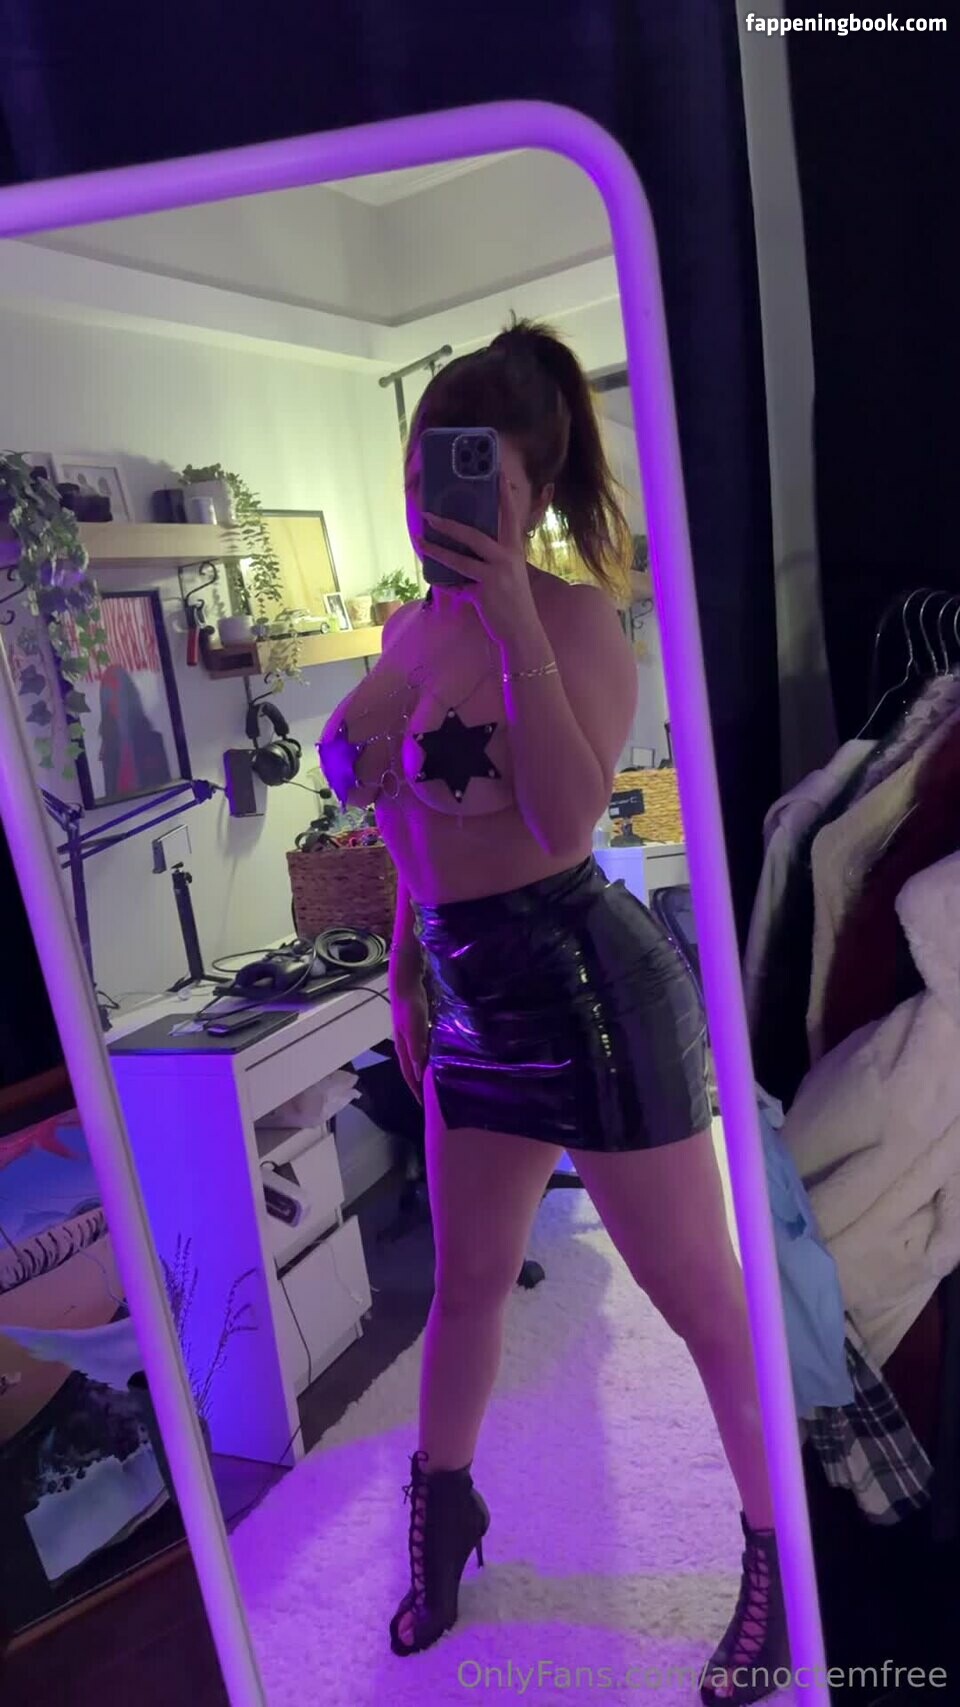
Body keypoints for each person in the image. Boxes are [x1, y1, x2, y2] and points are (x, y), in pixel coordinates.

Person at [319, 320, 786, 1706]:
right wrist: (406, 971)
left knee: (701, 1304)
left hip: (591, 996)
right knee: (466, 1287)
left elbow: (569, 818)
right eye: (425, 471)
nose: (439, 500)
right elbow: (387, 812)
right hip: (466, 999)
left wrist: (516, 619)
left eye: (476, 477)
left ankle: (782, 1560)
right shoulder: (407, 631)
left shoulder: (581, 624)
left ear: (529, 490)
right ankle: (443, 1516)